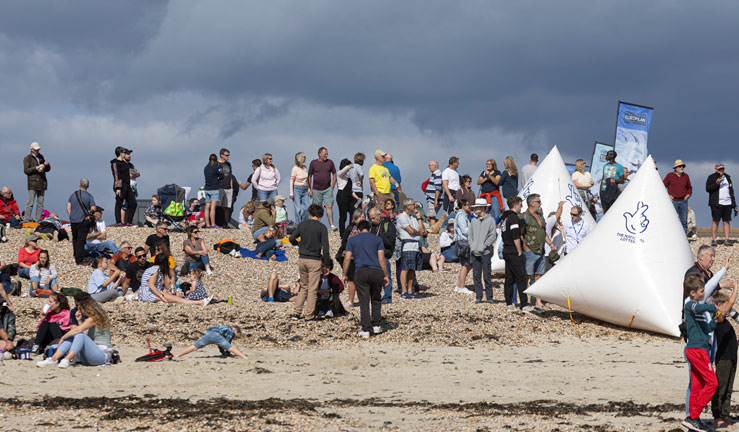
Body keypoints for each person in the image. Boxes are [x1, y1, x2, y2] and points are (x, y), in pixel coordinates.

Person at [681, 273, 721, 431]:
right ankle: (694, 416)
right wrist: (714, 307)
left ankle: (692, 418)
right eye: (701, 291)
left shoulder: (698, 312)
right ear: (692, 293)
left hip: (700, 349)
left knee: (697, 385)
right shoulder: (689, 305)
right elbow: (699, 306)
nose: (704, 293)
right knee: (713, 383)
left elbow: (707, 329)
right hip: (696, 350)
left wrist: (716, 321)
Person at [36, 295, 112, 368]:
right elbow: (85, 333)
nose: (79, 311)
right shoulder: (89, 320)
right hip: (90, 355)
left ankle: (66, 359)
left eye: (80, 309)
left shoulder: (94, 318)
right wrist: (79, 320)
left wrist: (63, 338)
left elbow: (79, 330)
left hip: (101, 355)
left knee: (79, 335)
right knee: (76, 335)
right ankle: (53, 359)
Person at [344, 219, 389, 338]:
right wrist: (386, 275)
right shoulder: (377, 239)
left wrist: (344, 274)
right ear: (370, 229)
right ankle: (376, 324)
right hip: (376, 271)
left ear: (358, 230)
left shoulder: (352, 239)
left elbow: (347, 258)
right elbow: (381, 259)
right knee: (376, 298)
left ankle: (366, 328)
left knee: (364, 300)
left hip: (361, 271)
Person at [289, 204, 331, 320]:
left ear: (310, 213)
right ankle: (309, 315)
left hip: (302, 259)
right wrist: (327, 264)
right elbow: (326, 248)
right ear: (320, 215)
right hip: (314, 260)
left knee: (304, 287)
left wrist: (298, 245)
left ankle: (296, 313)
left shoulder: (303, 224)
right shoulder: (322, 228)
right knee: (313, 289)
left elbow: (291, 238)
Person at [521, 194, 556, 308]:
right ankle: (524, 301)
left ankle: (538, 301)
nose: (540, 203)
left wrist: (550, 243)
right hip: (530, 250)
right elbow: (520, 233)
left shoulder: (540, 216)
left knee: (539, 276)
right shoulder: (524, 216)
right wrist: (525, 246)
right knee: (527, 276)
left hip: (540, 250)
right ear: (532, 203)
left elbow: (543, 232)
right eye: (538, 201)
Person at [711, 288, 738, 428]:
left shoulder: (725, 320)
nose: (730, 306)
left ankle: (725, 415)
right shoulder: (718, 318)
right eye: (726, 304)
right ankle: (717, 415)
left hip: (732, 357)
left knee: (728, 388)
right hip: (724, 358)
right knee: (721, 388)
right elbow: (729, 305)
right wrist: (735, 289)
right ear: (720, 305)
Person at [501, 196, 531, 311]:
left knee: (509, 278)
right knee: (520, 278)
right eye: (520, 204)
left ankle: (509, 303)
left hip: (506, 249)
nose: (521, 206)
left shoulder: (505, 217)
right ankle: (524, 304)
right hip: (513, 250)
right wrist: (519, 249)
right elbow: (515, 235)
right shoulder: (513, 218)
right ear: (516, 204)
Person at [468, 198, 497, 304]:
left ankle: (489, 297)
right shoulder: (474, 221)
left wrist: (484, 245)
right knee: (476, 275)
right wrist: (472, 246)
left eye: (476, 208)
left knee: (487, 275)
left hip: (485, 252)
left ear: (482, 208)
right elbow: (470, 235)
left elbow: (493, 235)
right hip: (474, 252)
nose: (475, 210)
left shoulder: (490, 220)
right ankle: (479, 296)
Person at [397, 198, 427, 299]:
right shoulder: (402, 217)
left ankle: (410, 290)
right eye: (413, 205)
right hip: (407, 246)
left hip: (416, 246)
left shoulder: (413, 218)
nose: (415, 206)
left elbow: (421, 229)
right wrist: (420, 233)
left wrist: (419, 218)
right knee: (405, 268)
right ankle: (404, 291)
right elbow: (411, 231)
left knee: (412, 269)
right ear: (408, 206)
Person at [368, 207, 396, 303]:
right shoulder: (371, 227)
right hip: (372, 256)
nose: (372, 220)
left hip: (384, 255)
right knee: (373, 278)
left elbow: (391, 242)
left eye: (373, 218)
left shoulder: (389, 225)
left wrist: (378, 239)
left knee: (386, 275)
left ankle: (387, 297)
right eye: (370, 218)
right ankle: (375, 296)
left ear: (379, 216)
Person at [173, 325, 248, 360]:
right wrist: (227, 353)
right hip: (216, 334)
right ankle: (244, 357)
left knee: (194, 347)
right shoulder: (230, 330)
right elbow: (227, 344)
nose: (234, 338)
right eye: (236, 336)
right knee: (231, 348)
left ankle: (178, 355)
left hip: (208, 334)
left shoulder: (221, 327)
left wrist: (223, 353)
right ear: (234, 330)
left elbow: (220, 345)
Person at [66, 178, 96, 266]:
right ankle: (79, 259)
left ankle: (76, 255)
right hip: (83, 220)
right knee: (81, 240)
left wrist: (71, 216)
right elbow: (93, 208)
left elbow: (68, 207)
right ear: (88, 186)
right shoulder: (89, 196)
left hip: (73, 220)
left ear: (80, 185)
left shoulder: (73, 195)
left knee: (74, 238)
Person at [706, 163, 737, 246]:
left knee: (726, 221)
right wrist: (717, 183)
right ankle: (714, 240)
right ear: (716, 169)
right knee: (715, 221)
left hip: (727, 203)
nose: (722, 170)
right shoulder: (711, 177)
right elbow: (708, 189)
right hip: (716, 203)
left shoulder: (728, 177)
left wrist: (734, 205)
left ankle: (727, 240)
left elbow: (731, 192)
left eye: (723, 168)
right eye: (720, 169)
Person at [308, 147, 338, 231]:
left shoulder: (330, 162)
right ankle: (316, 226)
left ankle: (331, 225)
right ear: (319, 154)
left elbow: (334, 174)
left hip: (327, 189)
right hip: (316, 189)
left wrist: (332, 186)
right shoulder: (313, 163)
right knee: (317, 208)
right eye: (325, 154)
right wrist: (309, 189)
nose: (326, 155)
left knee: (329, 206)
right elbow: (309, 176)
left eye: (327, 154)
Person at [338, 210, 364, 304]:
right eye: (361, 216)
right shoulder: (350, 228)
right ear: (356, 218)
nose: (363, 218)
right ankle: (351, 300)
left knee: (363, 280)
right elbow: (344, 241)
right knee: (351, 279)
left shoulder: (366, 229)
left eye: (364, 216)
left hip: (361, 257)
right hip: (351, 256)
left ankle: (366, 299)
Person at [23, 141, 51, 222]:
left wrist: (46, 164)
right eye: (36, 149)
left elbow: (48, 169)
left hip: (42, 183)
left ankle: (38, 220)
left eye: (38, 149)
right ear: (32, 149)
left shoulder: (41, 157)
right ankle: (27, 218)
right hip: (33, 184)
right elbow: (26, 170)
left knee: (40, 203)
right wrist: (36, 167)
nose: (37, 151)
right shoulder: (27, 158)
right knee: (30, 202)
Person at [663, 159, 693, 234]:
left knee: (684, 221)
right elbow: (662, 186)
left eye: (683, 166)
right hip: (673, 202)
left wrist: (688, 195)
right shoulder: (670, 175)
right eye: (680, 166)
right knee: (671, 220)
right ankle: (671, 237)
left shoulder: (686, 176)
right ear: (675, 168)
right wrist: (668, 196)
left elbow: (689, 187)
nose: (682, 167)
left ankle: (684, 240)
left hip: (683, 201)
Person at [110, 147, 137, 226]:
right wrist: (118, 187)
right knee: (119, 203)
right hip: (120, 186)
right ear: (121, 153)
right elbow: (116, 175)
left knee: (133, 203)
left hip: (127, 186)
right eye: (124, 153)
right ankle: (119, 222)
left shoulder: (125, 163)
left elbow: (134, 171)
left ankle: (129, 222)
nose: (126, 154)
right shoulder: (115, 162)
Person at [452, 200, 473, 294]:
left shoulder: (463, 216)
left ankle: (458, 284)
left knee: (468, 264)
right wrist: (475, 230)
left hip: (464, 241)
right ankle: (461, 286)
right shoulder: (461, 216)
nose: (469, 206)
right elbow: (464, 230)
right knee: (466, 264)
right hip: (464, 242)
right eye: (467, 205)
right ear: (463, 206)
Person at [217, 148, 237, 228]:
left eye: (228, 155)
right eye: (226, 155)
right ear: (222, 155)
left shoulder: (228, 164)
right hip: (220, 187)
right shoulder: (217, 164)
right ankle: (219, 222)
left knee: (227, 207)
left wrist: (231, 188)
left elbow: (230, 176)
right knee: (219, 206)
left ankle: (226, 223)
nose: (228, 156)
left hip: (228, 188)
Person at [336, 158, 358, 234]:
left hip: (349, 197)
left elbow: (350, 190)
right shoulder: (339, 174)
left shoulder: (347, 177)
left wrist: (357, 198)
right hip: (342, 196)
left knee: (353, 213)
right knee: (343, 216)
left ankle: (350, 231)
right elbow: (345, 169)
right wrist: (349, 165)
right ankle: (342, 234)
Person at [290, 152, 311, 224]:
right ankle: (298, 225)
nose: (305, 158)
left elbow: (307, 180)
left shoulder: (305, 168)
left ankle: (303, 223)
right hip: (297, 189)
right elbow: (291, 180)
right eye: (303, 157)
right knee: (298, 209)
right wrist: (291, 192)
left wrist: (309, 189)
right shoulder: (295, 169)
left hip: (305, 188)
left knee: (307, 208)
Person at [203, 153, 223, 228]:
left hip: (207, 188)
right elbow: (222, 176)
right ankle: (213, 224)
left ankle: (207, 224)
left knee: (207, 207)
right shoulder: (216, 167)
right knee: (213, 208)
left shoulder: (206, 168)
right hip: (214, 188)